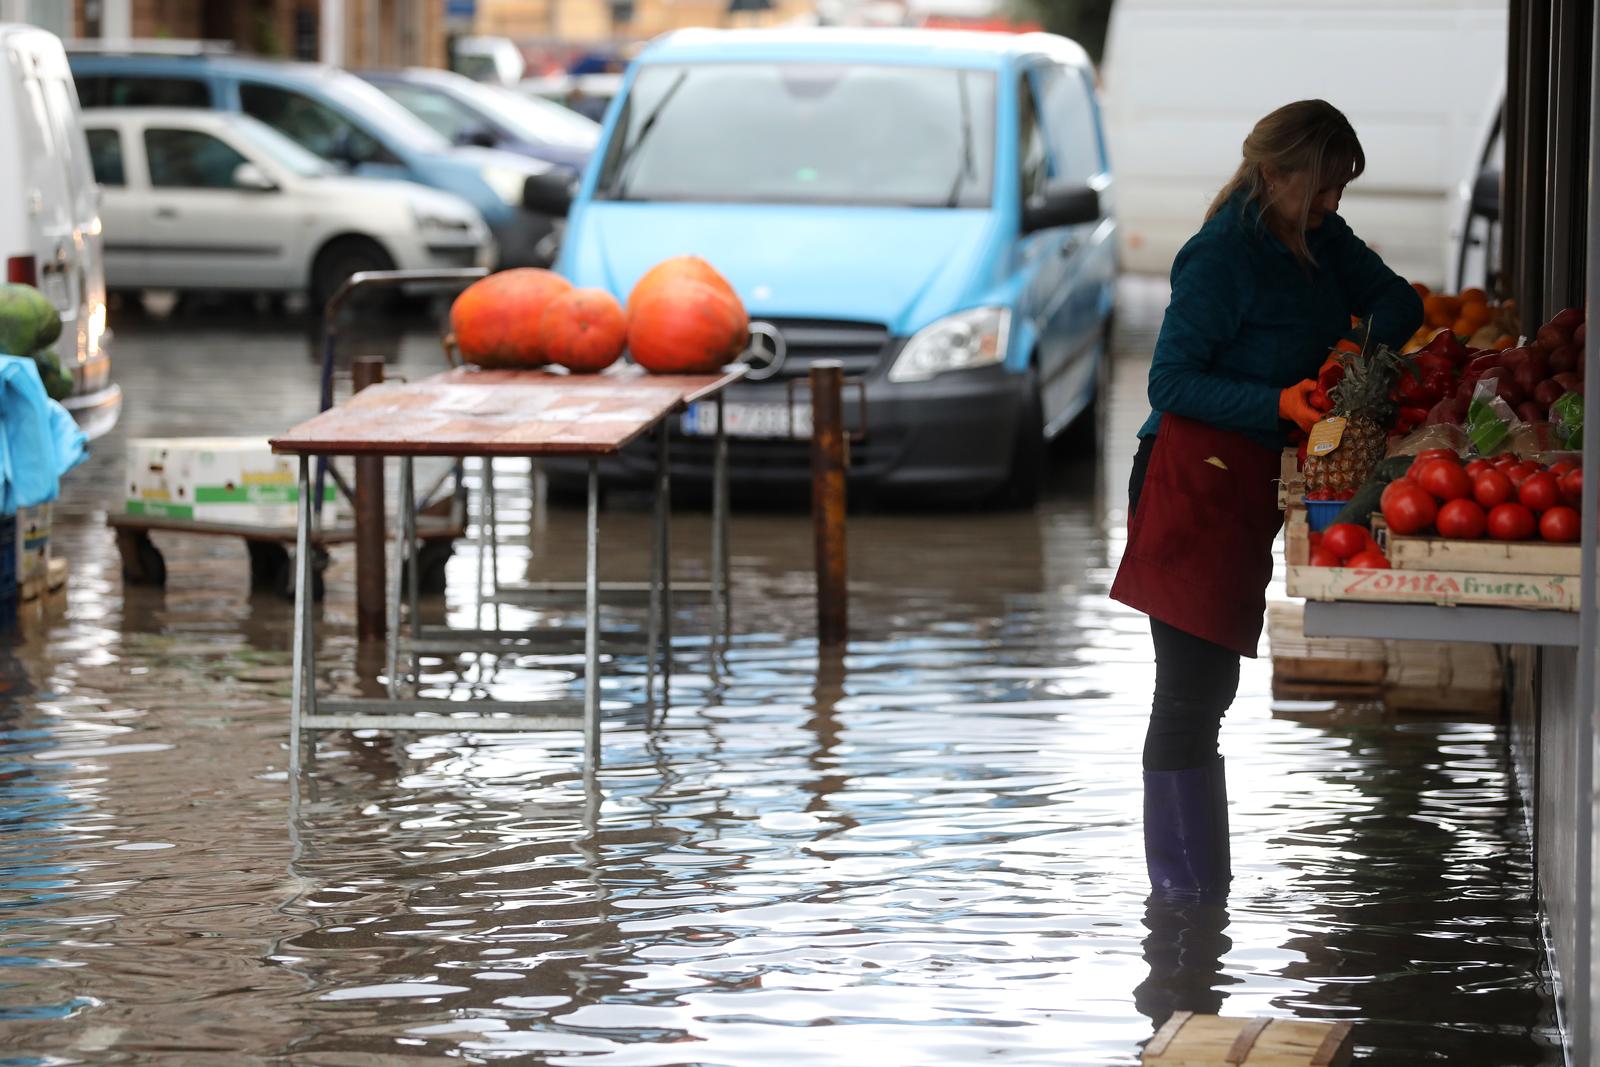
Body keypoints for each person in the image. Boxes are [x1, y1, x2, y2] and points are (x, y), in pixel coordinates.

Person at [1110, 100, 1423, 899]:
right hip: (1190, 477)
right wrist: (1277, 404)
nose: (1333, 205)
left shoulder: (1321, 237)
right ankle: (1182, 903)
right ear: (1275, 174)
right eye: (1322, 189)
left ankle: (1198, 905)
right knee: (1187, 692)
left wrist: (1353, 346)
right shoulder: (1218, 256)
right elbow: (1171, 381)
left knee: (1212, 690)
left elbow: (1401, 302)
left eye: (1340, 191)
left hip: (1247, 476)